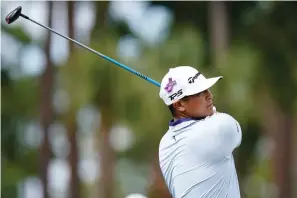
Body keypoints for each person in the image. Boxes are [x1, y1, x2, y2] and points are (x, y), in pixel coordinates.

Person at [158, 66, 242, 198]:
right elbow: (235, 131)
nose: (210, 96)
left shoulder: (165, 143)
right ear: (179, 105)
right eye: (200, 92)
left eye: (206, 90)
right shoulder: (219, 129)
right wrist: (212, 111)